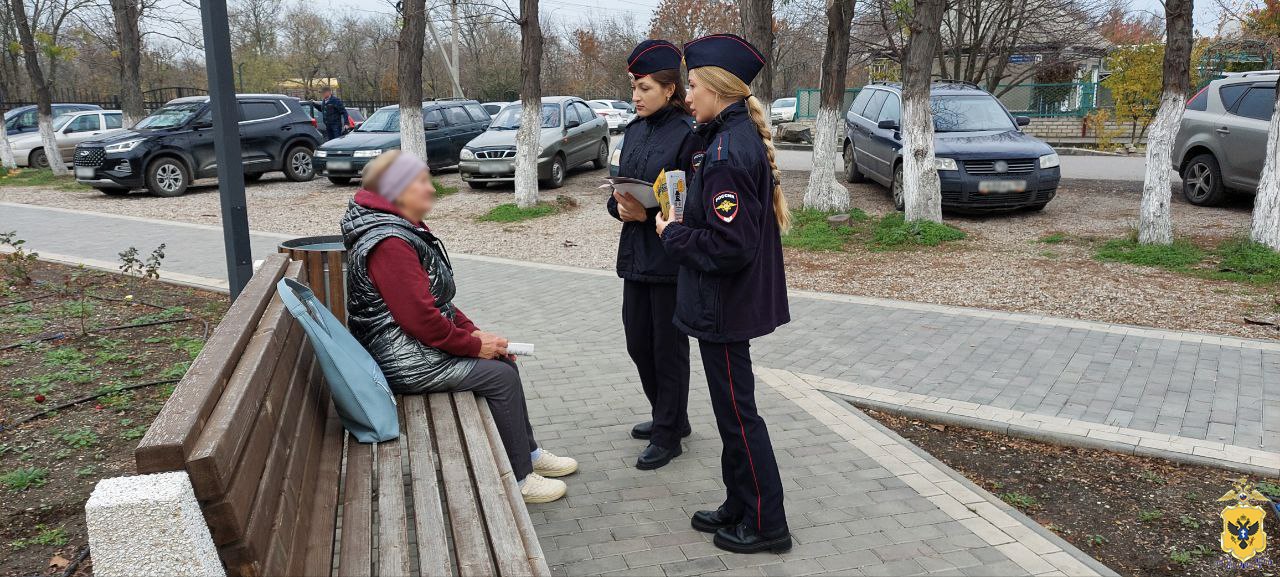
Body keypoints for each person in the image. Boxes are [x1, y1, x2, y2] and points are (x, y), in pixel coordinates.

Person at [340, 150, 577, 504]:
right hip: (401, 358)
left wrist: (477, 334)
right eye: (422, 182)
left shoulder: (397, 229)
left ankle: (528, 454)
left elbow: (439, 303)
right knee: (500, 377)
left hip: (409, 346)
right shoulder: (390, 243)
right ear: (398, 190)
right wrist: (470, 345)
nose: (432, 190)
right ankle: (520, 477)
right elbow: (420, 320)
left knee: (501, 359)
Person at [654, 33, 793, 554]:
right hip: (720, 304)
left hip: (724, 304)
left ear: (718, 87)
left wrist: (672, 235)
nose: (686, 96)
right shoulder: (719, 137)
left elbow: (729, 246)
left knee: (739, 416)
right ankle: (741, 503)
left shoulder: (730, 151)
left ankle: (768, 523)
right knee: (731, 412)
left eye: (692, 85)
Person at [608, 39, 701, 471]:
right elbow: (620, 188)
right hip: (635, 256)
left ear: (669, 88)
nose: (636, 96)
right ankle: (671, 416)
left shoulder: (686, 134)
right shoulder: (633, 130)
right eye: (633, 88)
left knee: (668, 349)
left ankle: (668, 433)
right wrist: (619, 206)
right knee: (636, 341)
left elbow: (689, 203)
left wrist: (645, 213)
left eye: (644, 88)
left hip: (668, 256)